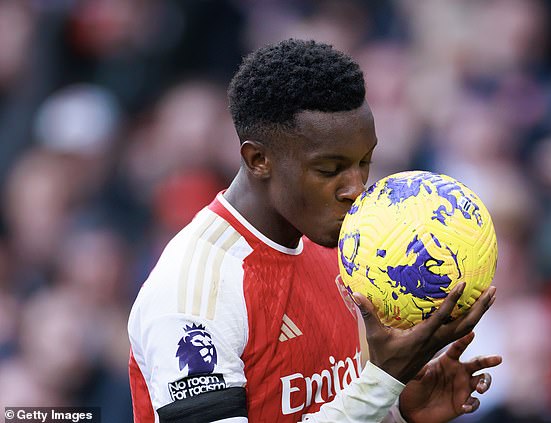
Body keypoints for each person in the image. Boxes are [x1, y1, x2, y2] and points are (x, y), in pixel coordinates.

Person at [128, 39, 501, 423]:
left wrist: (399, 411)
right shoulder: (195, 290)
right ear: (258, 160)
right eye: (329, 170)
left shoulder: (348, 248)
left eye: (364, 161)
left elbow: (335, 405)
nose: (356, 189)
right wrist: (381, 383)